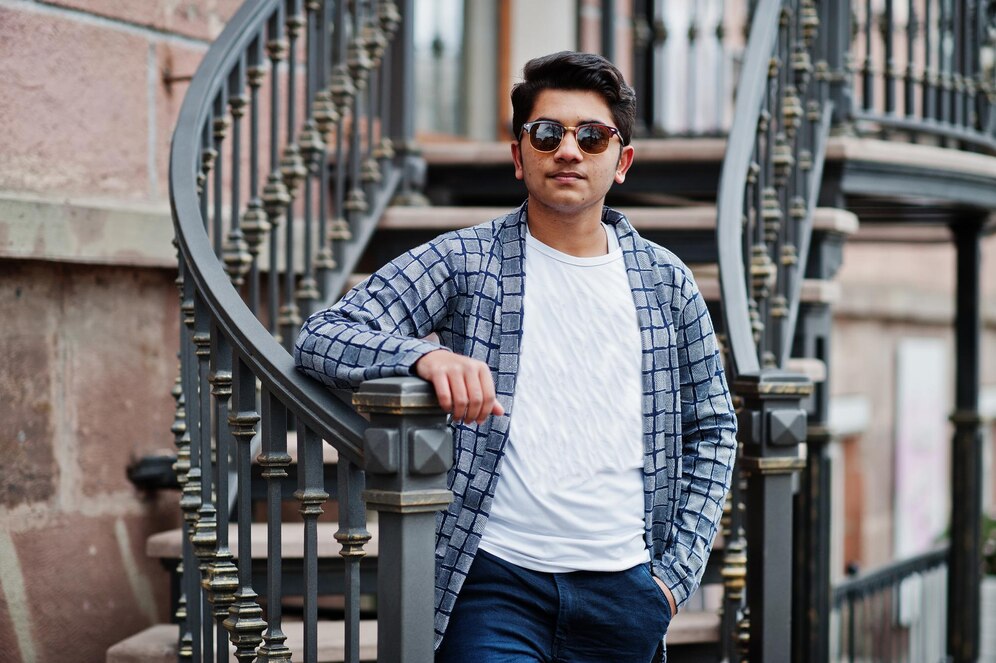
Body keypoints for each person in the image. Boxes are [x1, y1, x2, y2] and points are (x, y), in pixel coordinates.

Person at [295, 50, 737, 663]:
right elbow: (324, 333)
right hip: (494, 584)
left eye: (592, 136)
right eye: (548, 132)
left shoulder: (666, 281)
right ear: (518, 153)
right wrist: (419, 360)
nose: (568, 150)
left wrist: (673, 578)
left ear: (622, 161)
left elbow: (713, 428)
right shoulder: (466, 260)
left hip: (626, 589)